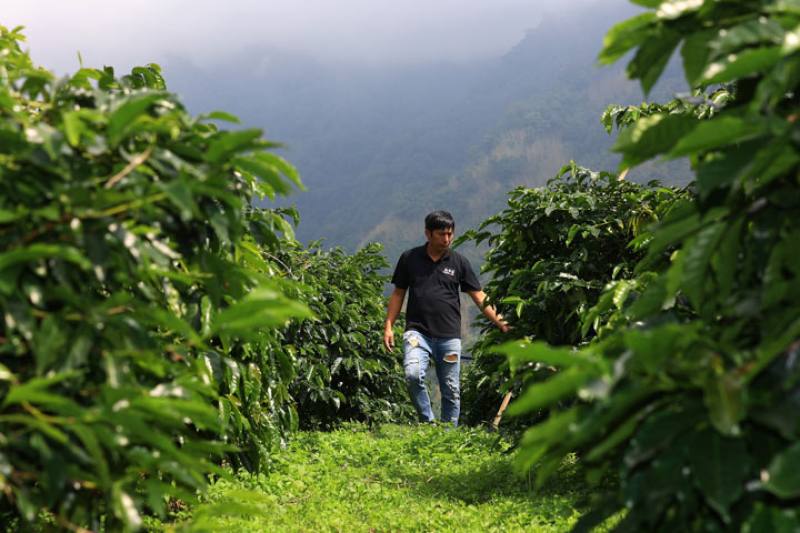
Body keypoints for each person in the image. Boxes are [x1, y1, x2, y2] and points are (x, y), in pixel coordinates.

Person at [383, 210, 509, 425]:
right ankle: (428, 423)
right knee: (413, 374)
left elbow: (479, 296)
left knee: (451, 389)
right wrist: (388, 326)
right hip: (417, 332)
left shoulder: (458, 262)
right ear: (428, 234)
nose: (447, 239)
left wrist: (502, 324)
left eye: (450, 234)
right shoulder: (410, 258)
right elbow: (398, 294)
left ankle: (448, 436)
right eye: (442, 234)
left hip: (449, 336)